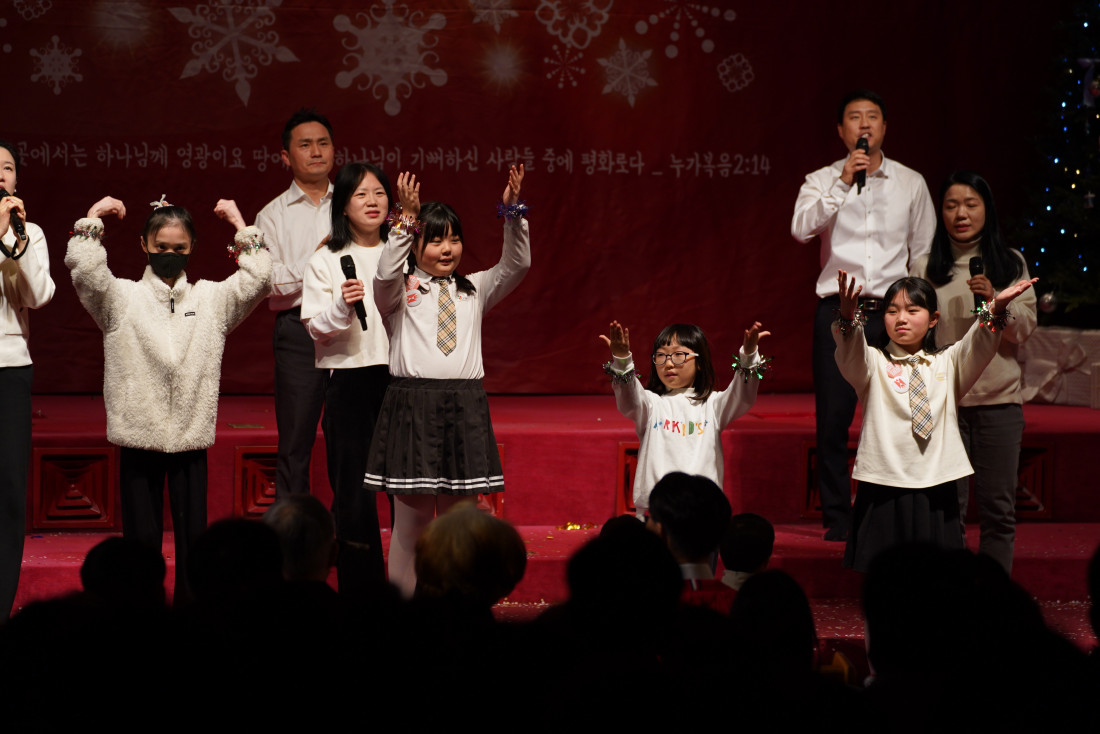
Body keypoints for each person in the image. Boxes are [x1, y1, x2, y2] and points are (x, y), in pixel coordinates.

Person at [65, 195, 271, 602]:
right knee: (140, 545)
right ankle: (140, 618)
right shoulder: (122, 298)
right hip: (138, 435)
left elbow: (259, 280)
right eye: (161, 247)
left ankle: (191, 620)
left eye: (179, 248)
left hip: (190, 437)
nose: (170, 255)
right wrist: (91, 219)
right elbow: (86, 274)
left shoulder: (210, 300)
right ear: (144, 245)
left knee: (195, 543)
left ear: (192, 248)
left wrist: (240, 224)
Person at [365, 165, 530, 597]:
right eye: (436, 239)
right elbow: (383, 275)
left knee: (461, 524)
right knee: (411, 526)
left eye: (454, 239)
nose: (447, 248)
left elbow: (517, 263)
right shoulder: (397, 291)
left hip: (465, 407)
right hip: (412, 407)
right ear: (416, 245)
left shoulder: (475, 288)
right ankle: (403, 615)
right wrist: (405, 220)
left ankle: (461, 610)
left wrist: (512, 211)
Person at [791, 89, 936, 541]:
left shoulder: (910, 182)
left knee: (895, 414)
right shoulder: (822, 180)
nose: (865, 124)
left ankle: (888, 510)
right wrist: (841, 183)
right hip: (839, 312)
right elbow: (801, 229)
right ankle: (837, 517)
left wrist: (916, 312)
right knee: (834, 417)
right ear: (841, 130)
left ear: (885, 128)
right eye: (855, 117)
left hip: (894, 313)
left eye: (873, 117)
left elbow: (922, 250)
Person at [832, 269, 1036, 571]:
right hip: (884, 482)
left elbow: (979, 342)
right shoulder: (872, 362)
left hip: (936, 482)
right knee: (885, 576)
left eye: (912, 310)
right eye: (892, 311)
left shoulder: (948, 361)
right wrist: (848, 317)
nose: (901, 319)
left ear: (933, 319)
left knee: (937, 575)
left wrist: (996, 307)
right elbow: (850, 349)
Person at [910, 171, 1036, 574]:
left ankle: (993, 597)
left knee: (998, 509)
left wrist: (996, 303)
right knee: (947, 511)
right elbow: (911, 333)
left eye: (970, 204)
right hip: (945, 402)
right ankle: (953, 595)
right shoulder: (925, 265)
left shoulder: (1010, 262)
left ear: (987, 210)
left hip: (999, 402)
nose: (960, 214)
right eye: (951, 205)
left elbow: (1024, 331)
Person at [300, 161, 392, 594]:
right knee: (354, 496)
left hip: (401, 379)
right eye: (361, 194)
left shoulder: (405, 252)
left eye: (379, 193)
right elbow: (315, 328)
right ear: (343, 206)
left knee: (407, 491)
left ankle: (412, 590)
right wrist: (342, 305)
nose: (373, 202)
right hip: (351, 382)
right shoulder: (326, 259)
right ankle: (362, 594)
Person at [599, 320, 769, 515]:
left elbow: (743, 395)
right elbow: (629, 398)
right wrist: (622, 359)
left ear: (699, 362)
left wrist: (748, 356)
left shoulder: (713, 404)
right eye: (661, 356)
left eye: (678, 355)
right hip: (658, 511)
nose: (668, 363)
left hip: (702, 508)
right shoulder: (651, 404)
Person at [256, 108, 335, 497]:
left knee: (351, 438)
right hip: (298, 331)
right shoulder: (271, 215)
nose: (316, 152)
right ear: (286, 156)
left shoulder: (356, 203)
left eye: (323, 143)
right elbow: (270, 283)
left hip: (353, 329)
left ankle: (351, 528)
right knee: (295, 441)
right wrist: (319, 260)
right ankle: (292, 526)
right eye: (305, 145)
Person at [0, 140, 55, 619]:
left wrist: (11, 241)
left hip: (10, 368)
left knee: (8, 492)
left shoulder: (28, 232)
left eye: (8, 168)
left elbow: (37, 295)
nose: (1, 175)